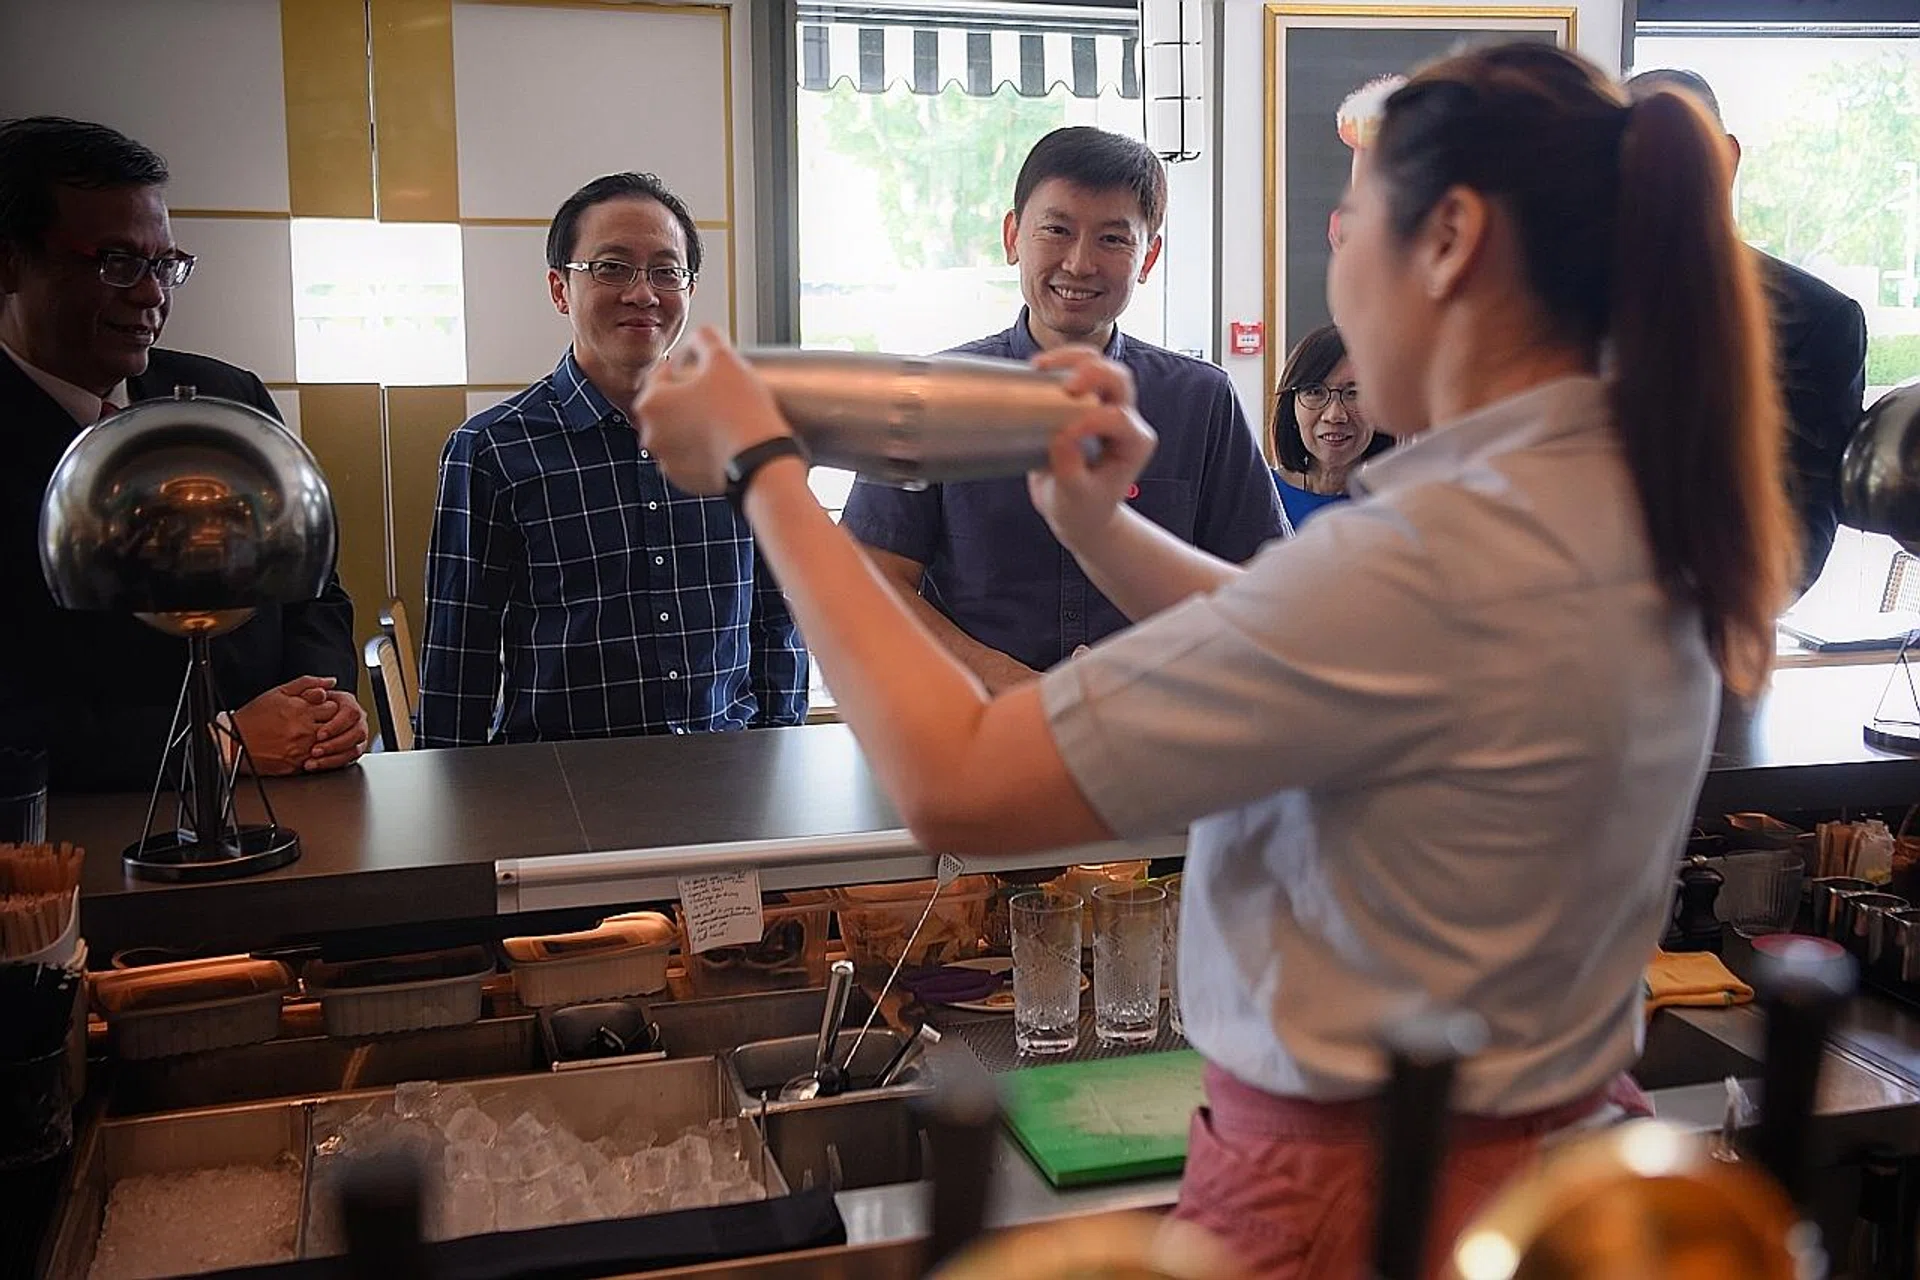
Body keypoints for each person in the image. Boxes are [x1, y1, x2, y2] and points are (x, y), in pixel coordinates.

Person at [634, 40, 1795, 1279]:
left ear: (1451, 240)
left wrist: (765, 470)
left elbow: (954, 781)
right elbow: (1296, 634)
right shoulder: (1614, 498)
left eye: (1352, 223)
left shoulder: (1434, 554)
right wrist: (1100, 526)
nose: (1338, 261)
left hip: (1373, 1191)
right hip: (1549, 1152)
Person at [839, 127, 1286, 693]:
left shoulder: (1202, 400)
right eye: (1057, 230)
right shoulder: (932, 396)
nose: (1079, 263)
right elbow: (869, 577)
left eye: (1112, 239)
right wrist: (1013, 684)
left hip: (1155, 722)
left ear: (1148, 256)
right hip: (978, 719)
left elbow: (1263, 584)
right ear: (1013, 237)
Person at [0, 116, 364, 792]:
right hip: (95, 822)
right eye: (117, 262)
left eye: (164, 264)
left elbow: (314, 591)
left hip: (292, 796)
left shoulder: (228, 399)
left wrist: (321, 706)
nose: (151, 294)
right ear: (12, 261)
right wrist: (216, 743)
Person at [418, 172, 806, 748]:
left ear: (689, 289)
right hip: (560, 782)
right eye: (612, 267)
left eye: (666, 272)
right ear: (560, 289)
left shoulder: (742, 435)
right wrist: (451, 793)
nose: (642, 294)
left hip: (727, 775)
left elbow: (775, 619)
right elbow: (459, 659)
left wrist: (778, 752)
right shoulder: (491, 450)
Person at [1627, 67, 1868, 593]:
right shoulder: (1566, 306)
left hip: (1719, 626)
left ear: (1729, 158)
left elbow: (1795, 548)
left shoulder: (1816, 321)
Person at [1269, 324, 1392, 529]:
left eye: (1353, 393)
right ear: (1292, 406)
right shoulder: (1261, 493)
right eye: (1315, 392)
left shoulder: (1403, 502)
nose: (1334, 415)